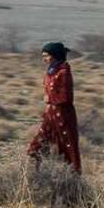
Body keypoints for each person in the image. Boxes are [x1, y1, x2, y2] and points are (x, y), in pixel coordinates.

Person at [26, 40, 81, 174]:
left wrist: (49, 99)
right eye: (43, 56)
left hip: (63, 117)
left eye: (46, 55)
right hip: (50, 117)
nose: (44, 59)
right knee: (35, 147)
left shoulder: (64, 71)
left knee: (68, 152)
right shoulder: (51, 71)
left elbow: (66, 97)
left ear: (55, 55)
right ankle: (38, 176)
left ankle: (72, 183)